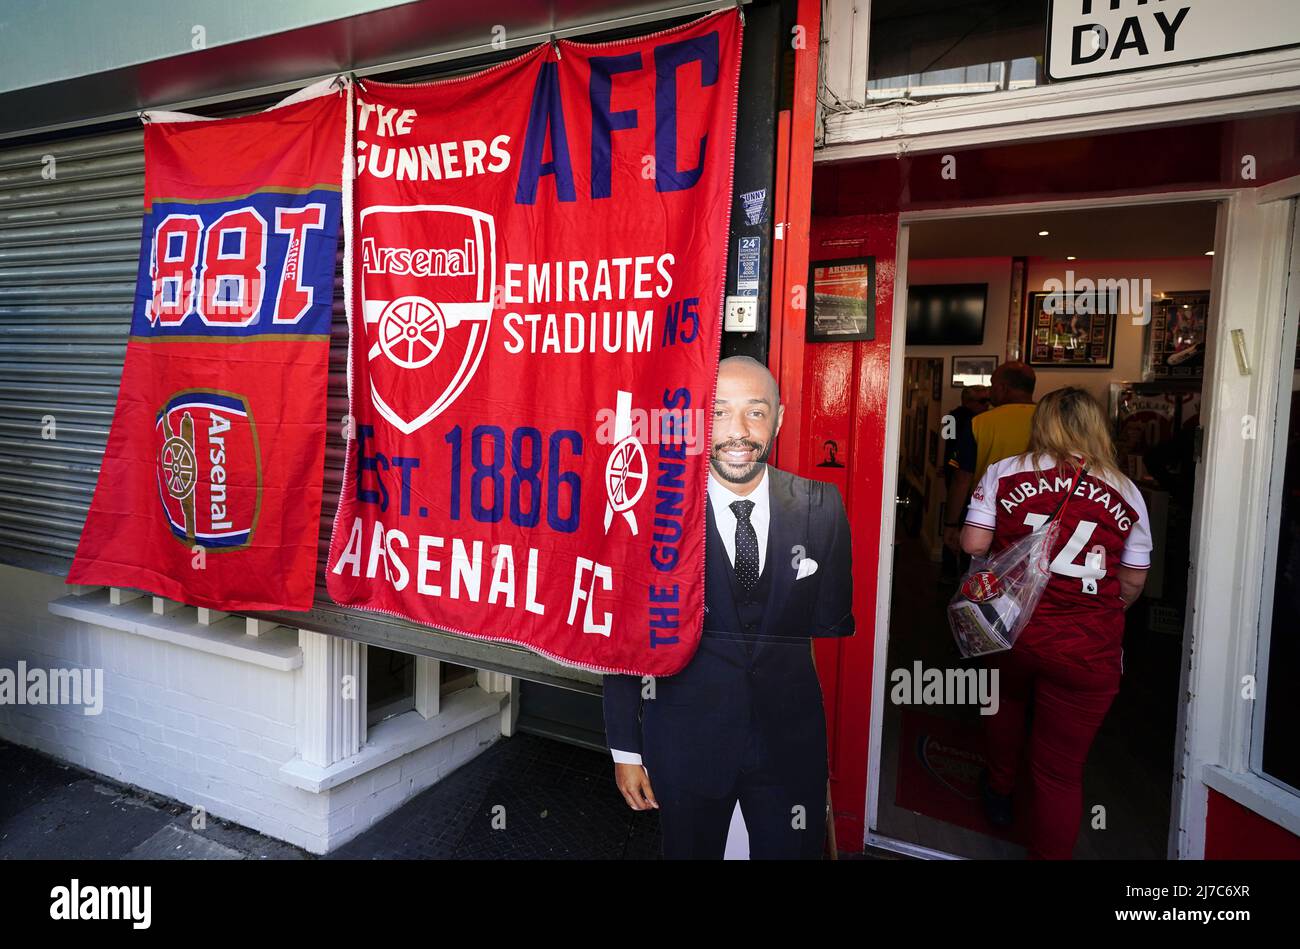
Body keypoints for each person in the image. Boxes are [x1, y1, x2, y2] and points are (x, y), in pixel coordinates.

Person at [602, 355, 855, 859]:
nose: (737, 431)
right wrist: (625, 749)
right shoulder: (652, 511)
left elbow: (828, 620)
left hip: (790, 745)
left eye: (755, 412)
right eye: (717, 413)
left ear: (778, 419)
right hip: (685, 741)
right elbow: (626, 643)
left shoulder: (822, 507)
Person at [960, 387, 1153, 859]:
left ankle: (1001, 792)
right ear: (1097, 426)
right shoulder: (1127, 490)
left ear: (1041, 422)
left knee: (1004, 702)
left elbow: (972, 544)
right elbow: (1131, 582)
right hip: (1086, 648)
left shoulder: (1005, 472)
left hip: (1012, 631)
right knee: (1060, 772)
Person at [944, 361, 1037, 554]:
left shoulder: (980, 423)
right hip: (1037, 518)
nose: (989, 392)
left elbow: (962, 479)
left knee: (981, 579)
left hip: (986, 518)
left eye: (992, 385)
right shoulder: (1050, 420)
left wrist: (951, 523)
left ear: (1003, 388)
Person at [940, 385, 991, 581]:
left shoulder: (984, 421)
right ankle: (949, 570)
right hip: (959, 475)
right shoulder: (952, 418)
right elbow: (948, 447)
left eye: (988, 400)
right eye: (981, 401)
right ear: (966, 401)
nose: (987, 405)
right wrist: (947, 469)